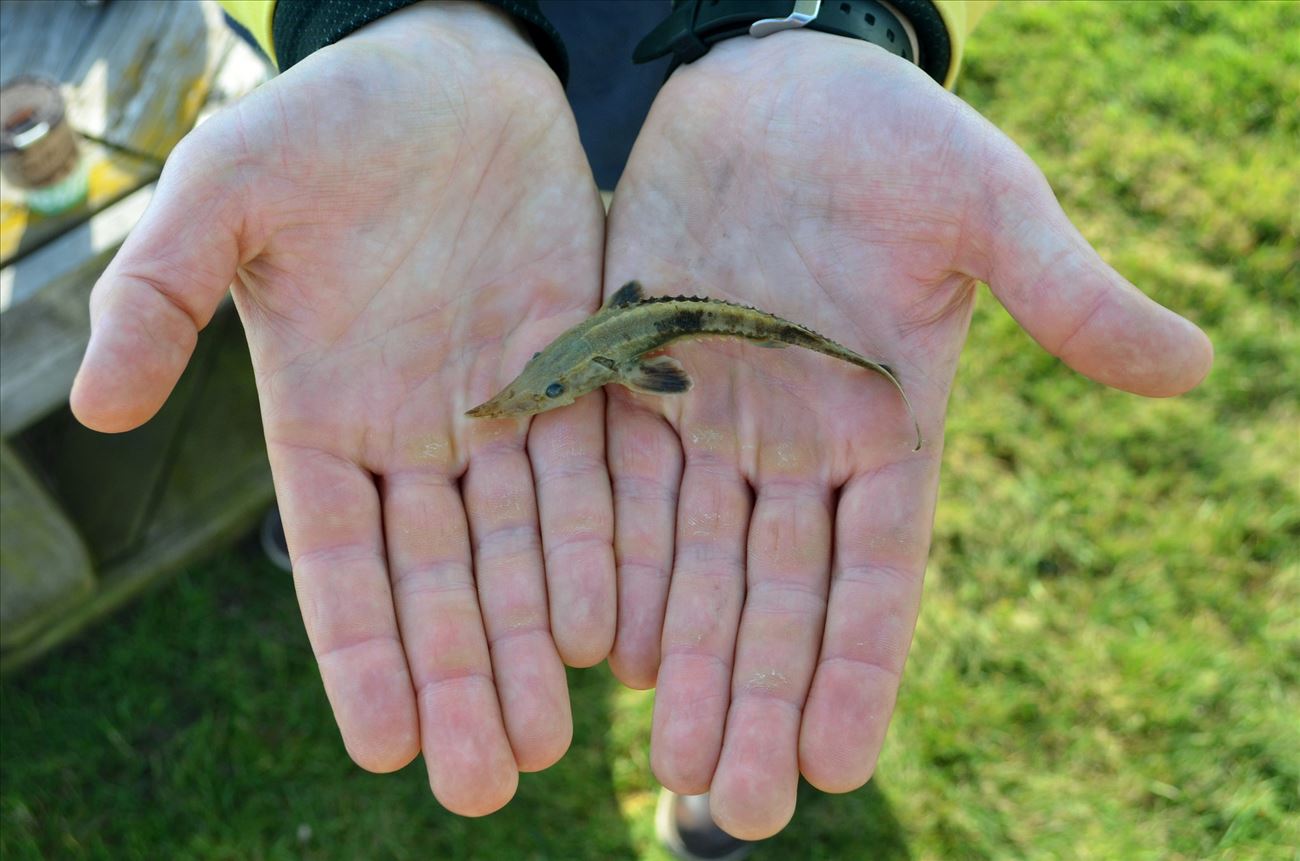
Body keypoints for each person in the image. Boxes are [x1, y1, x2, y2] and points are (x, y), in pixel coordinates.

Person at [69, 1, 1212, 857]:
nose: (554, 401)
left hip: (740, 135)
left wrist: (819, 20)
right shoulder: (563, 340)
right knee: (431, 439)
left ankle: (713, 774)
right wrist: (391, 12)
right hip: (456, 167)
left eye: (564, 392)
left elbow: (632, 361)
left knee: (739, 578)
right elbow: (579, 362)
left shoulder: (628, 354)